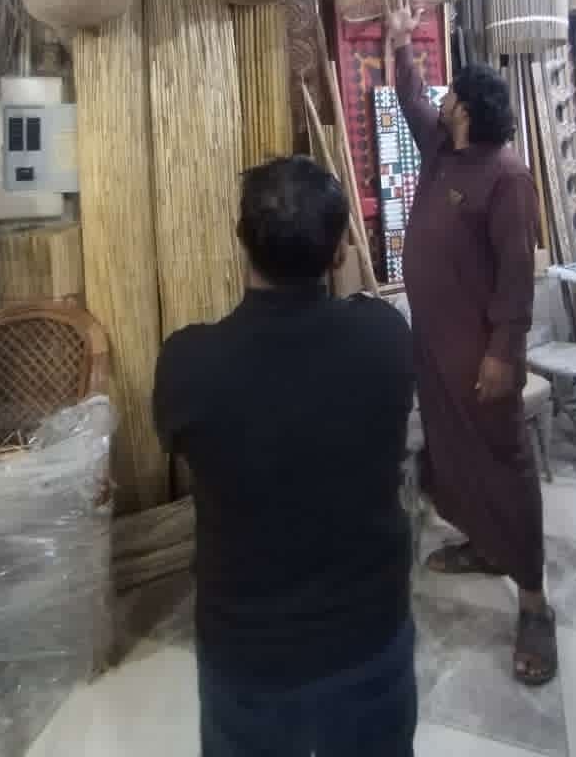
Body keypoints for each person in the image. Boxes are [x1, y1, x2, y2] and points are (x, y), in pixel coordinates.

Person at [153, 155, 416, 756]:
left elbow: (181, 446)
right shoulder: (385, 338)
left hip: (247, 651)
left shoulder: (188, 365)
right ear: (340, 253)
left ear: (241, 241)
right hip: (368, 632)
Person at [386, 0, 556, 686]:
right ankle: (485, 547)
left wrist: (502, 354)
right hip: (434, 346)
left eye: (449, 92)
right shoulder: (442, 151)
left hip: (480, 356)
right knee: (453, 456)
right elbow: (409, 100)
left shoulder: (505, 177)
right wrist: (402, 44)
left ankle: (534, 602)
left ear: (465, 108)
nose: (441, 97)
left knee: (504, 464)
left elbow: (516, 277)